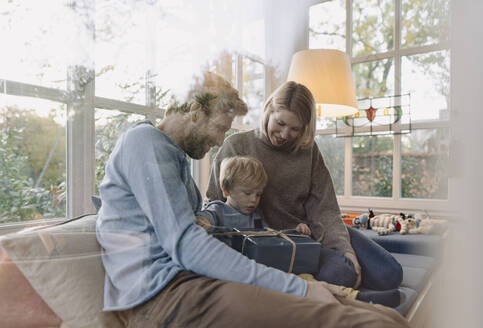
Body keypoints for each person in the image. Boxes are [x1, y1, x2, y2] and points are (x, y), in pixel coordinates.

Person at [96, 72, 409, 327]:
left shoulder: (172, 157)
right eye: (219, 128)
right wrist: (299, 287)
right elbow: (189, 244)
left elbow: (206, 231)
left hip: (195, 282)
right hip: (162, 296)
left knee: (386, 316)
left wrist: (304, 281)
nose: (220, 141)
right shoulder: (144, 143)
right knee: (372, 323)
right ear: (194, 112)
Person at [206, 81, 403, 291]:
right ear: (269, 110)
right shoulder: (236, 146)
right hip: (273, 243)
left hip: (313, 232)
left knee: (390, 274)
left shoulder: (308, 151)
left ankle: (343, 263)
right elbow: (215, 203)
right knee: (341, 274)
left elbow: (324, 208)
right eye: (280, 123)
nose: (284, 135)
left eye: (295, 129)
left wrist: (345, 249)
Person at [200, 155, 399, 308]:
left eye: (258, 194)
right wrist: (203, 221)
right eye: (247, 193)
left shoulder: (255, 215)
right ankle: (356, 300)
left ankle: (357, 298)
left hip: (269, 268)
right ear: (226, 189)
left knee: (306, 279)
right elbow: (206, 218)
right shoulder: (218, 209)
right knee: (301, 284)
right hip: (244, 272)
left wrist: (295, 231)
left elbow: (271, 236)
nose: (253, 200)